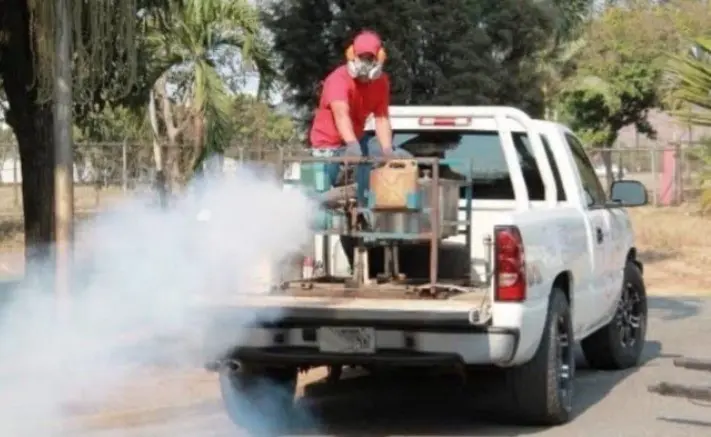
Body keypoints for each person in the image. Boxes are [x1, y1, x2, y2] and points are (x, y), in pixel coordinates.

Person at [308, 30, 412, 197]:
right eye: (361, 57)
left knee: (374, 158)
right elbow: (341, 114)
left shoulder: (381, 82)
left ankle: (364, 204)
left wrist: (387, 151)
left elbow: (382, 118)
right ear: (352, 56)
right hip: (327, 145)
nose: (364, 64)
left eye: (369, 59)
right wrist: (352, 144)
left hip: (356, 138)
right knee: (323, 198)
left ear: (379, 59)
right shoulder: (338, 79)